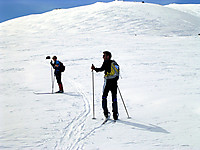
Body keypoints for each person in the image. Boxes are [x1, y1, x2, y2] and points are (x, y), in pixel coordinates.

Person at [91, 51, 119, 120]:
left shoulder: (106, 62)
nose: (103, 57)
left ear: (108, 56)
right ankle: (115, 114)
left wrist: (94, 69)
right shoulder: (113, 63)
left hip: (107, 82)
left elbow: (101, 69)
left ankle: (106, 113)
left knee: (104, 97)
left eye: (104, 56)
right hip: (114, 82)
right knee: (114, 98)